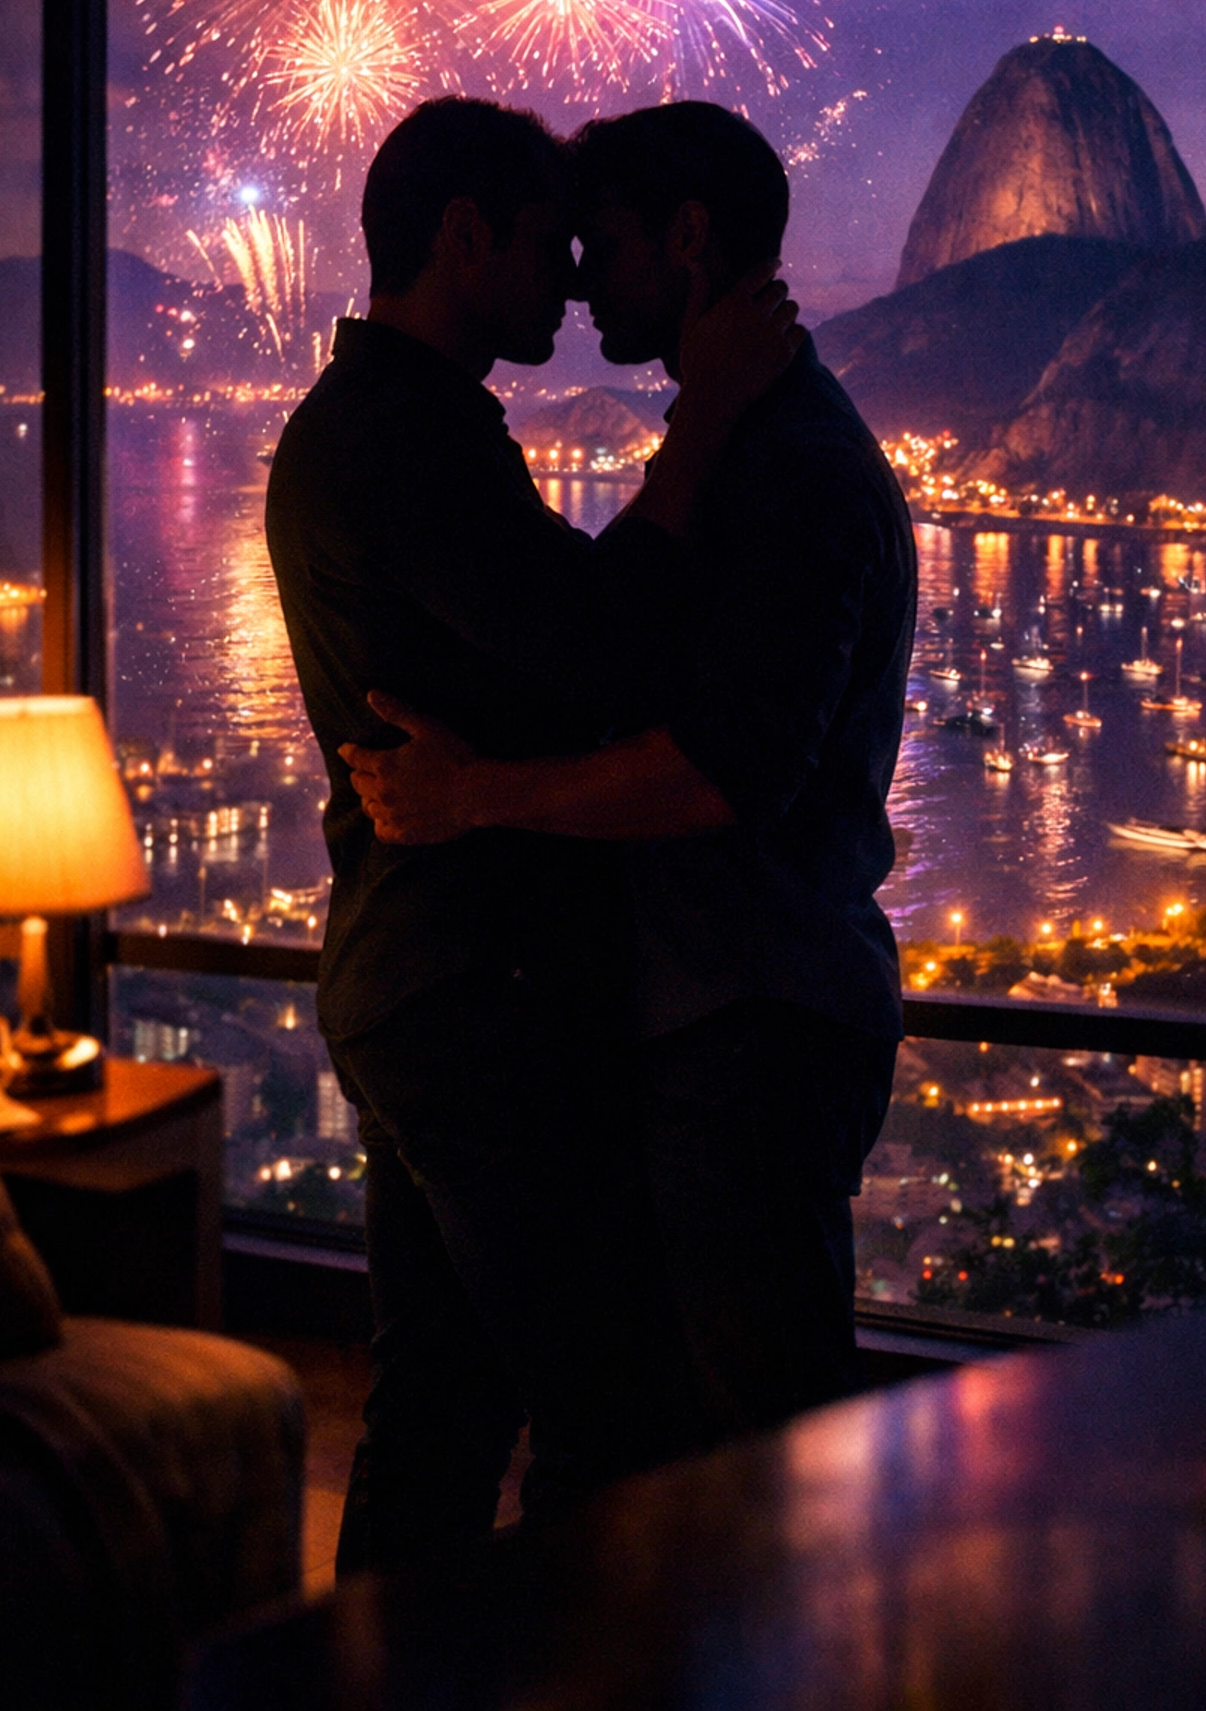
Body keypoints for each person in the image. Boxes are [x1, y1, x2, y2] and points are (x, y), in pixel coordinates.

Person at [266, 95, 799, 1568]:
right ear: (461, 239)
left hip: (414, 975)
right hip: (474, 996)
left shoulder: (366, 426)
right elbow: (604, 638)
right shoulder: (406, 441)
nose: (572, 281)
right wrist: (708, 425)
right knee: (607, 1415)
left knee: (437, 1405)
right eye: (546, 246)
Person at [344, 101, 918, 1449]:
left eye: (600, 244)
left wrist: (481, 794)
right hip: (729, 1013)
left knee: (751, 1439)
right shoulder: (755, 451)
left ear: (691, 238)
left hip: (756, 1023)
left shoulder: (789, 472)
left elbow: (727, 772)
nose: (582, 282)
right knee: (678, 1434)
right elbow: (614, 647)